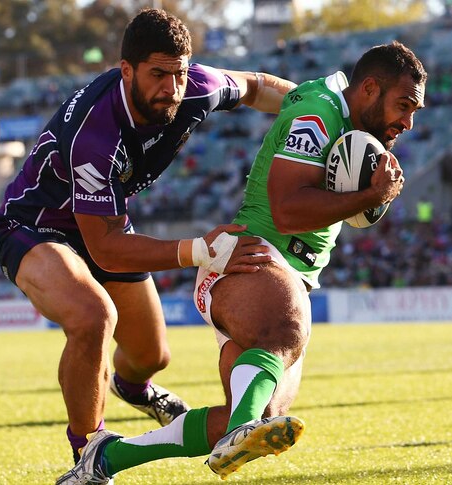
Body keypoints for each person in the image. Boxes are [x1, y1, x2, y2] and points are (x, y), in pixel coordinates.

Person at [58, 41, 424, 484]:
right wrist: (369, 195)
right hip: (248, 256)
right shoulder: (317, 113)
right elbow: (287, 209)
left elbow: (270, 93)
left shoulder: (347, 121)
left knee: (262, 412)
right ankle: (240, 429)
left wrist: (366, 193)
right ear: (368, 88)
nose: (407, 121)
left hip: (290, 275)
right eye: (404, 106)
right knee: (286, 332)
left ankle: (107, 459)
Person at [0, 8, 296, 465]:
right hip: (36, 226)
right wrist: (201, 252)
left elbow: (255, 85)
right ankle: (89, 453)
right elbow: (106, 249)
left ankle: (134, 387)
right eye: (158, 75)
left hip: (105, 221)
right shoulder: (95, 135)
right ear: (126, 69)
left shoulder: (196, 86)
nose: (171, 88)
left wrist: (319, 110)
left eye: (179, 74)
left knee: (151, 355)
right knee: (92, 317)